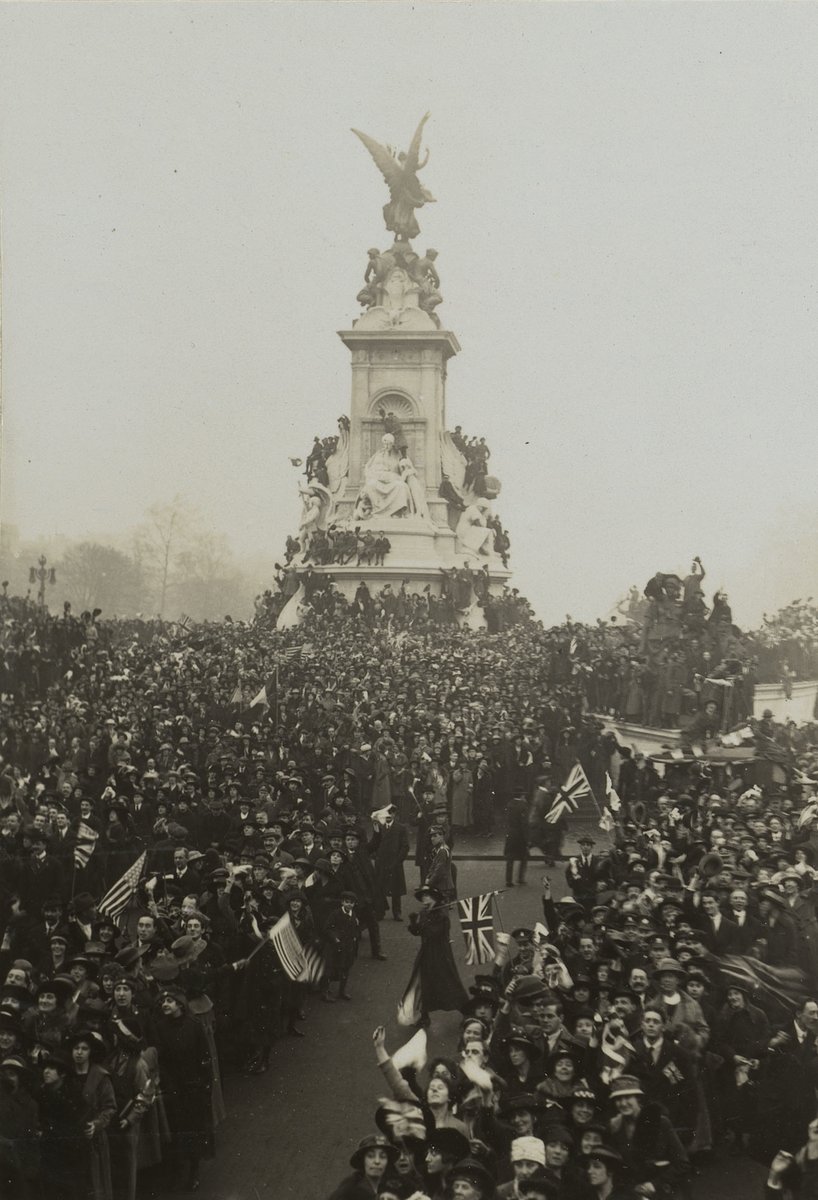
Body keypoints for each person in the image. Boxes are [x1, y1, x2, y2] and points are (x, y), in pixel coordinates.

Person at [402, 886, 468, 1026]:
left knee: (448, 982)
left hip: (440, 954)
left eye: (427, 895)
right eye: (423, 896)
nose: (424, 898)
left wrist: (422, 925)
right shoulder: (425, 912)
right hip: (426, 952)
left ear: (434, 897)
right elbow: (418, 932)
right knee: (422, 983)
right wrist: (414, 922)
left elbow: (434, 933)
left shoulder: (442, 915)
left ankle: (467, 1011)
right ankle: (424, 1016)